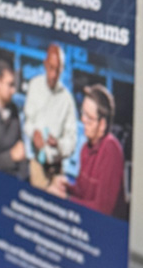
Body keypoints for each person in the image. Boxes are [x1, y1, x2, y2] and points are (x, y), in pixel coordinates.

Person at [50, 84, 124, 216]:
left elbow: (103, 209)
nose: (83, 120)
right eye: (82, 113)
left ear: (102, 125)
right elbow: (83, 194)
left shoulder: (111, 150)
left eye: (89, 117)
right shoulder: (85, 148)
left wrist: (67, 199)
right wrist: (67, 187)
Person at [24, 43, 78, 186]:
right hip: (36, 164)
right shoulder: (34, 86)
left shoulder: (67, 100)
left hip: (57, 168)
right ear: (45, 64)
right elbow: (28, 122)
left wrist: (59, 144)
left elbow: (72, 142)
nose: (53, 75)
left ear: (63, 69)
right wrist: (33, 133)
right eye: (51, 68)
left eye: (58, 70)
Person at [0, 52, 26, 179]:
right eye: (10, 85)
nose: (13, 91)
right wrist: (11, 156)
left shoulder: (13, 109)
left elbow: (19, 145)